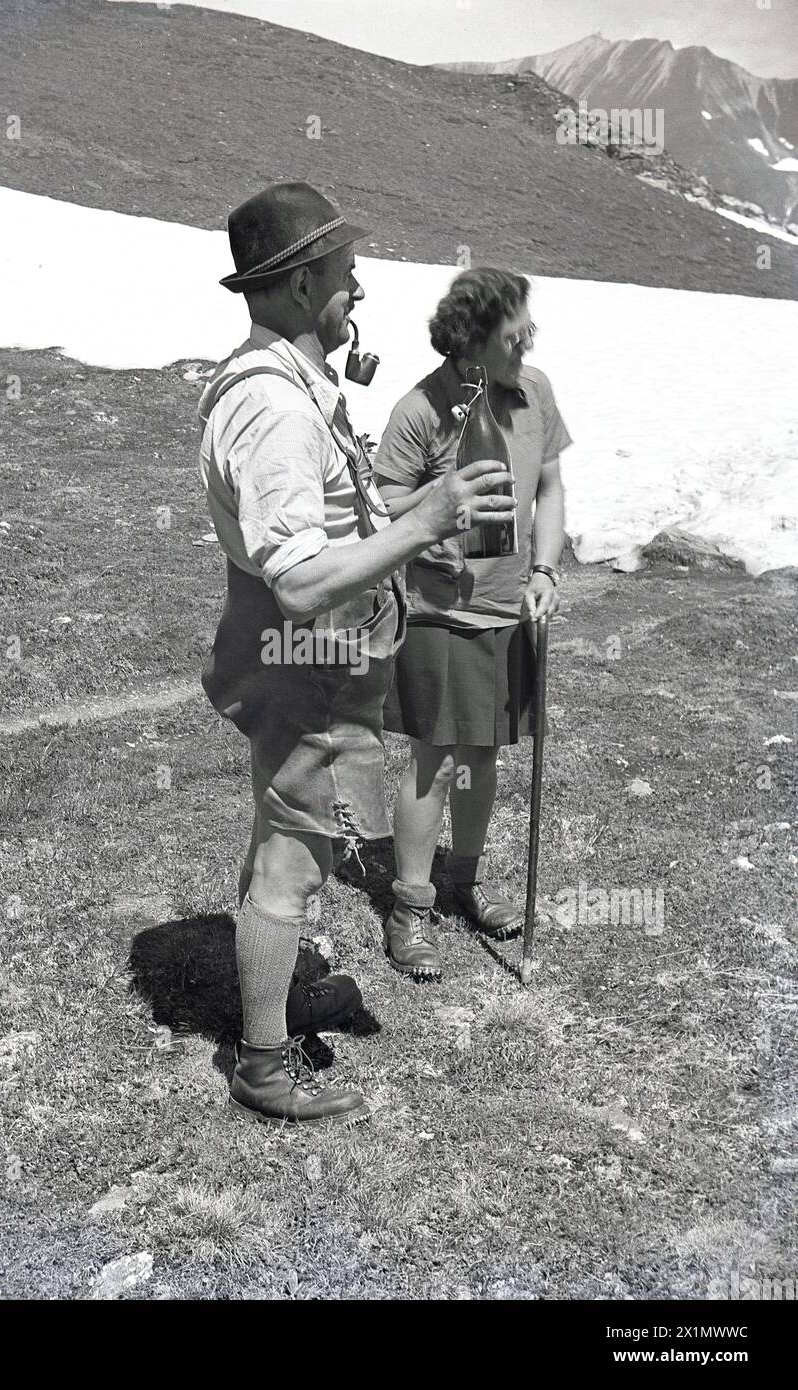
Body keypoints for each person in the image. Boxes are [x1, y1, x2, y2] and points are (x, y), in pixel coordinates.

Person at [199, 186, 517, 1122]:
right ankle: (262, 1062)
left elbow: (327, 531)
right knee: (293, 857)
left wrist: (416, 536)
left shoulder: (287, 381)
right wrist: (421, 518)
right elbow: (297, 579)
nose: (358, 290)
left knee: (285, 833)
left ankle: (280, 996)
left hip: (313, 653)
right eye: (343, 276)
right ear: (301, 285)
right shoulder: (275, 410)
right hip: (305, 655)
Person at [372, 267, 571, 980]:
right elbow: (382, 501)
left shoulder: (534, 390)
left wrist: (544, 571)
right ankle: (410, 907)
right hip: (439, 611)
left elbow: (548, 487)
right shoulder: (420, 410)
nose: (526, 346)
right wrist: (434, 506)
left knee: (481, 754)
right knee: (436, 756)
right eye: (512, 337)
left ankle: (463, 882)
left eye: (527, 334)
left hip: (507, 608)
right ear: (470, 340)